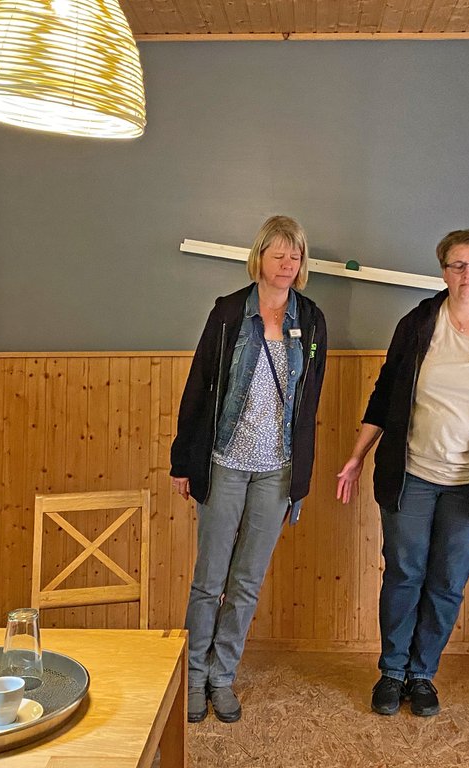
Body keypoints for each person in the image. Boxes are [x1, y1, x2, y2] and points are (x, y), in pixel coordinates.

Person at [336, 228, 469, 717]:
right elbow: (385, 394)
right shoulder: (417, 324)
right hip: (412, 474)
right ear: (444, 272)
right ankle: (392, 672)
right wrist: (357, 454)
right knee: (404, 573)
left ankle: (422, 673)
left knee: (447, 581)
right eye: (457, 265)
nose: (466, 273)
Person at [171, 215, 328, 724]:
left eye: (295, 256)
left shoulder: (312, 320)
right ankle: (193, 678)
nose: (287, 264)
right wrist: (182, 460)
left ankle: (222, 677)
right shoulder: (228, 313)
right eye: (278, 254)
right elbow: (198, 386)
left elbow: (309, 403)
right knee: (209, 580)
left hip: (276, 471)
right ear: (259, 256)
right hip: (224, 464)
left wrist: (301, 476)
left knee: (246, 583)